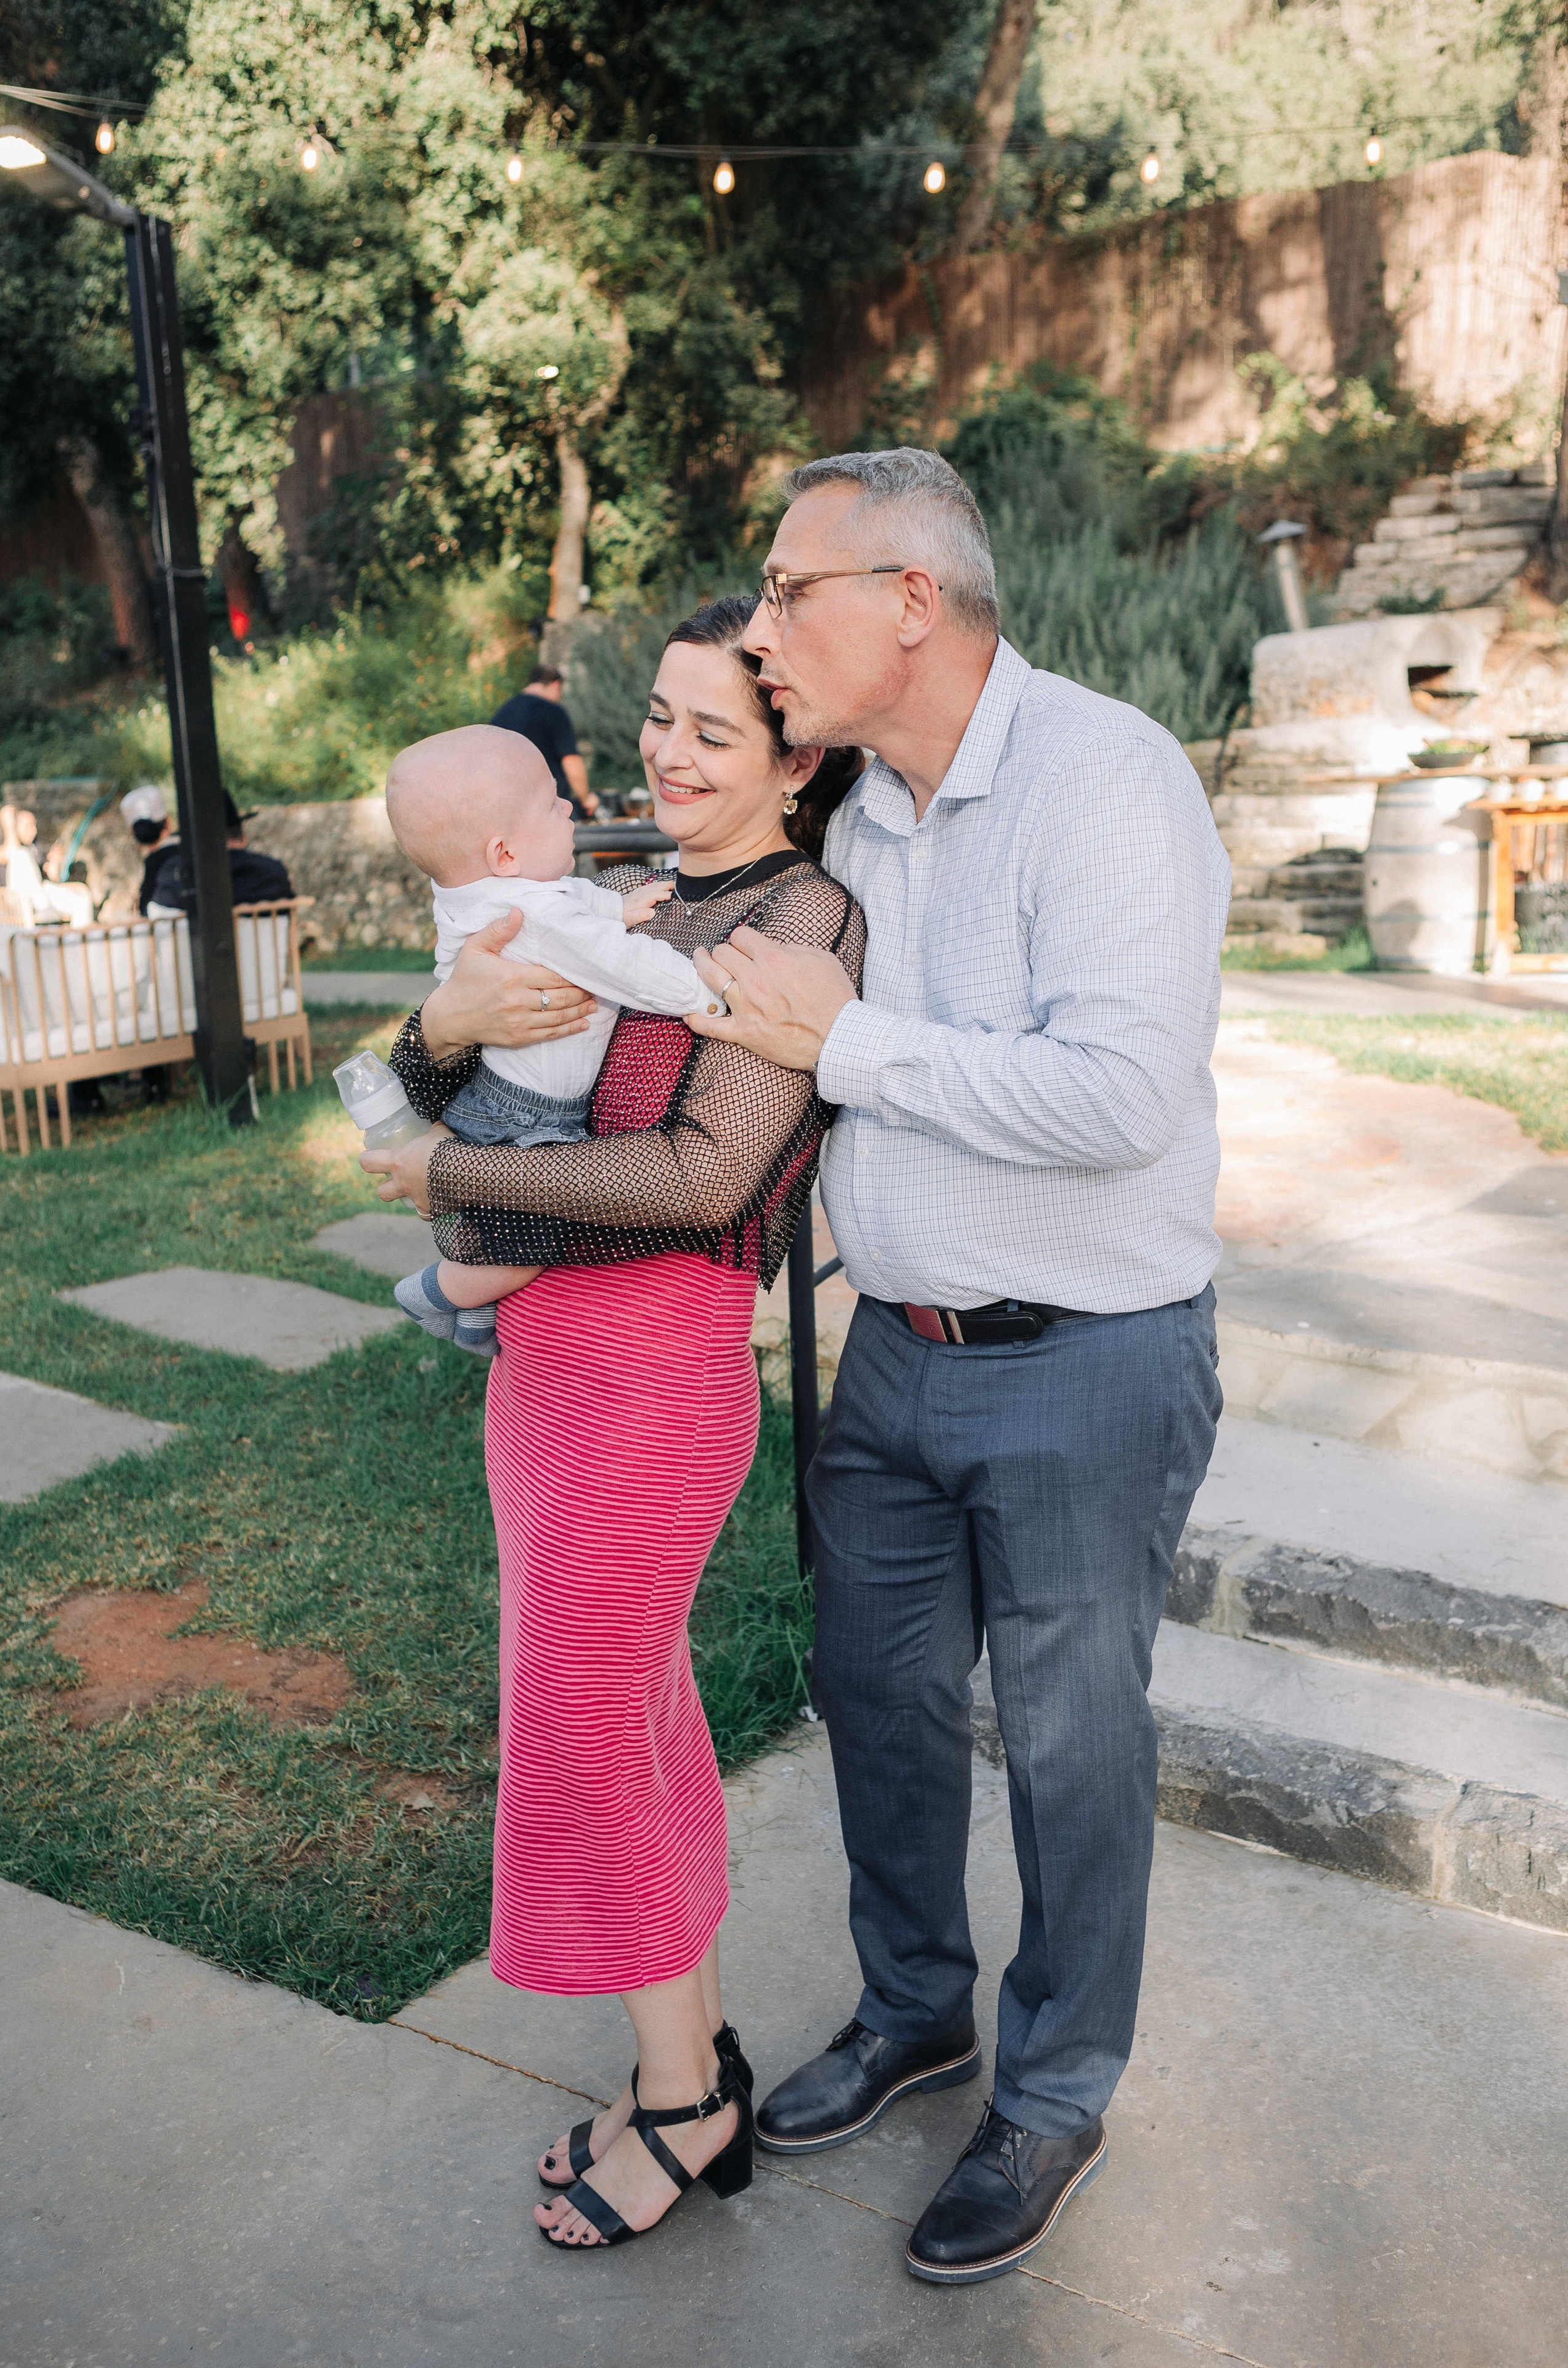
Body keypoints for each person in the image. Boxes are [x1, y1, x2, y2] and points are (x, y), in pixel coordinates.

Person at [680, 448, 1229, 2287]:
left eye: (785, 592)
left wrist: (856, 1045)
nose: (760, 635)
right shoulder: (849, 817)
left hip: (1087, 1359)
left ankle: (1054, 2084)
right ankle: (917, 2003)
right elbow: (758, 1014)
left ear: (910, 598)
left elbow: (1115, 1095)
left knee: (1072, 1751)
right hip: (891, 1368)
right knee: (880, 1702)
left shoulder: (1105, 779)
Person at [360, 594, 866, 2254]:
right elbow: (411, 1071)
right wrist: (438, 1041)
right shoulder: (616, 884)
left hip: (655, 1375)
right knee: (636, 1719)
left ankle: (679, 2105)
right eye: (657, 717)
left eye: (713, 733)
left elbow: (705, 1176)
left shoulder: (801, 914)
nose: (666, 752)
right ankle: (695, 2057)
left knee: (584, 1718)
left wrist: (454, 1193)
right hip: (544, 1379)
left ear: (801, 753)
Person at [380, 723, 724, 1354]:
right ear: (505, 853)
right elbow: (627, 968)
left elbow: (574, 900)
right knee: (536, 1240)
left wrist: (615, 909)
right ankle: (437, 1292)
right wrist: (709, 995)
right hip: (529, 1114)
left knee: (506, 1231)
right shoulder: (532, 917)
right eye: (552, 802)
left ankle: (480, 1319)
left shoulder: (503, 897)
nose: (570, 807)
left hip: (500, 1093)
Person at [147, 794, 293, 915]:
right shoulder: (274, 873)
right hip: (265, 950)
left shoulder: (176, 876)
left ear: (197, 843)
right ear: (243, 838)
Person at [489, 662, 600, 818]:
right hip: (550, 808)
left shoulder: (503, 713)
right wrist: (586, 798)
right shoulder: (554, 712)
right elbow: (571, 761)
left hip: (510, 809)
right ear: (556, 685)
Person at [120, 784, 180, 915]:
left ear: (133, 833)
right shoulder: (191, 849)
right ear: (168, 822)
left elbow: (145, 911)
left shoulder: (153, 863)